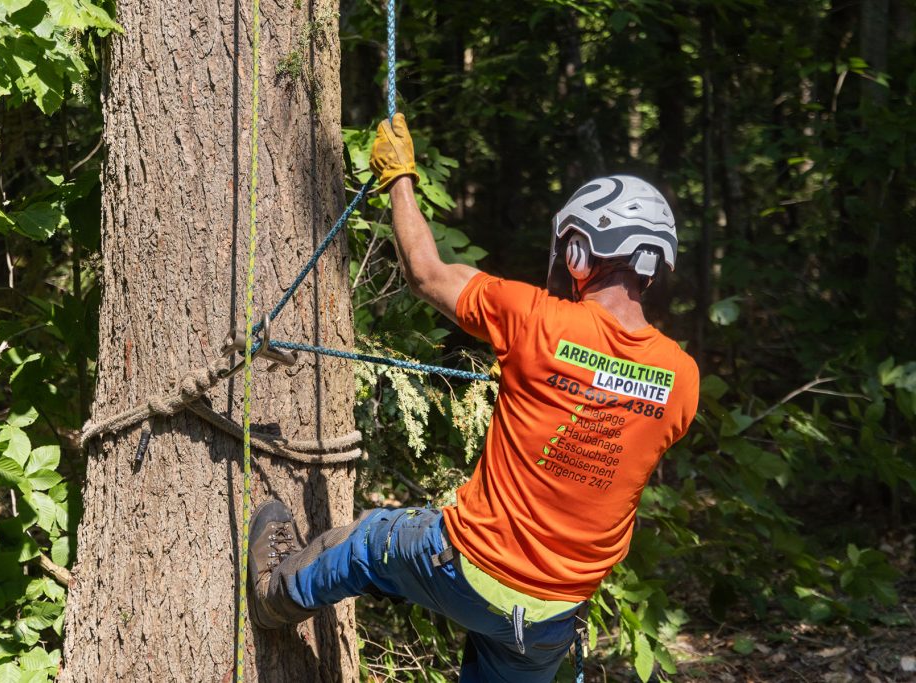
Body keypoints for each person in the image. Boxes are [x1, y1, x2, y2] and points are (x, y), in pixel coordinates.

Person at [247, 114, 699, 682]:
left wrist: (400, 178)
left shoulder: (536, 319)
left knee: (367, 543)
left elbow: (425, 273)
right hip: (550, 619)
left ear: (581, 253)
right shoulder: (682, 378)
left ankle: (276, 594)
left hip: (471, 568)